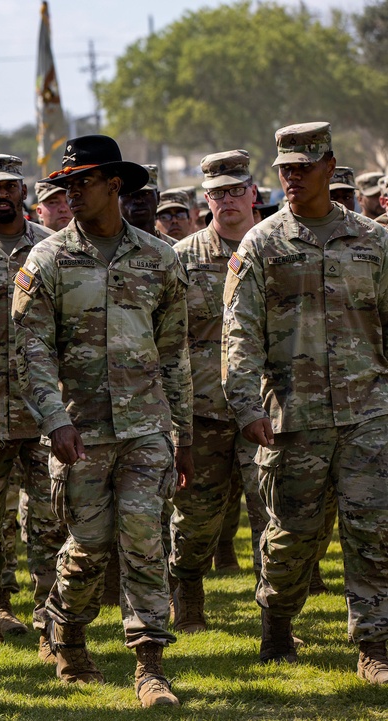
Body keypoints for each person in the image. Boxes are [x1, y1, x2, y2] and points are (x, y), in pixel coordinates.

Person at [14, 134, 192, 707]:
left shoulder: (158, 257)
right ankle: (66, 631)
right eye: (65, 185)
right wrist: (54, 419)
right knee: (88, 545)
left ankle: (150, 667)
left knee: (144, 541)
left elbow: (174, 353)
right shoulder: (48, 259)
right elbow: (30, 351)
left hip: (146, 427)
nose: (71, 194)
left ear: (115, 185)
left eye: (82, 183)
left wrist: (181, 433)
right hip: (81, 431)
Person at [222, 122, 388, 682]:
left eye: (301, 166)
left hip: (370, 412)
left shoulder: (373, 241)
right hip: (294, 418)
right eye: (284, 169)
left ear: (327, 165)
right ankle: (277, 620)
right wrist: (246, 405)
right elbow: (239, 332)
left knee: (374, 531)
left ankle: (375, 645)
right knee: (291, 535)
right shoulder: (262, 244)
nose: (291, 177)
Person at [0, 154, 62, 655]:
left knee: (49, 523)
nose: (0, 195)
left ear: (23, 191)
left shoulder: (52, 248)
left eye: (9, 186)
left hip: (44, 411)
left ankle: (50, 624)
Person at [168, 150, 266, 633]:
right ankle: (187, 599)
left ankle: (276, 619)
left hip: (267, 412)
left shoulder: (276, 250)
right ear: (205, 200)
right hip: (202, 413)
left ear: (254, 193)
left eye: (236, 190)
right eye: (217, 193)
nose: (228, 200)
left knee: (274, 517)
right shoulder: (181, 259)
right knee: (195, 523)